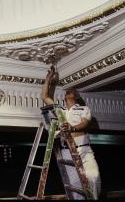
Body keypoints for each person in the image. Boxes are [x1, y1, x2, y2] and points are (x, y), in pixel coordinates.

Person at [41, 66, 101, 200]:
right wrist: (48, 79)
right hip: (67, 152)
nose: (69, 91)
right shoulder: (60, 110)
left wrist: (72, 128)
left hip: (85, 151)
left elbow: (85, 123)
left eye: (72, 91)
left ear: (77, 97)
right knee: (75, 185)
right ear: (64, 98)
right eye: (67, 92)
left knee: (93, 176)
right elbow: (45, 96)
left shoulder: (83, 109)